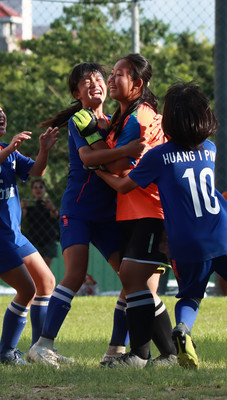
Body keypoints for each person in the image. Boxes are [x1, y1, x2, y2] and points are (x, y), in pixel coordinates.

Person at [97, 81, 227, 370]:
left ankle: (182, 328)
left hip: (187, 240)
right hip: (225, 233)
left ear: (169, 120)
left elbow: (124, 185)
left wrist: (97, 169)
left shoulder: (158, 156)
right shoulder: (210, 150)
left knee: (190, 296)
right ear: (203, 116)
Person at [28, 62, 146, 368]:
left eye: (98, 78)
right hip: (78, 210)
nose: (95, 83)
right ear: (76, 92)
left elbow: (113, 163)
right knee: (75, 274)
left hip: (108, 214)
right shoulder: (80, 119)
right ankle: (42, 346)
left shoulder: (114, 121)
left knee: (130, 278)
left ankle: (116, 351)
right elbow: (88, 157)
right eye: (86, 81)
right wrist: (128, 150)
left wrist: (129, 150)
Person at [84, 54, 177, 368]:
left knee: (132, 278)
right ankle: (168, 356)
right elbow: (114, 159)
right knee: (135, 284)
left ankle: (139, 355)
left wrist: (96, 161)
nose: (111, 79)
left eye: (120, 74)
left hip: (152, 208)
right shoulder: (121, 117)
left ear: (137, 84)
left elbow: (121, 165)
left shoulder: (141, 117)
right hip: (132, 211)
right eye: (112, 73)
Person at [0, 95, 60, 365]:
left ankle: (40, 350)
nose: (0, 114)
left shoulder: (9, 150)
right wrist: (9, 150)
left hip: (13, 235)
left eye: (1, 109)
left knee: (47, 283)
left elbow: (37, 171)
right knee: (28, 290)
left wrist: (44, 149)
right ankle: (4, 353)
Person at [20, 179, 59, 267]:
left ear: (45, 189)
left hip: (48, 239)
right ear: (32, 190)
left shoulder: (48, 204)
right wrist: (21, 207)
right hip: (33, 240)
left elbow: (55, 215)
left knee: (45, 267)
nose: (38, 190)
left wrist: (52, 208)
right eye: (35, 187)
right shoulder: (29, 205)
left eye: (41, 187)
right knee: (33, 267)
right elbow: (20, 216)